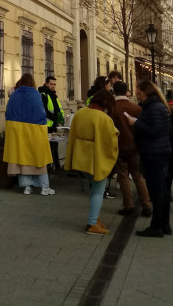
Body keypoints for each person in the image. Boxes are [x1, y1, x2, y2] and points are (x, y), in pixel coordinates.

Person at [65, 90, 119, 235]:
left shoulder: (81, 112)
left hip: (80, 157)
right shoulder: (103, 118)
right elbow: (110, 140)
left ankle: (94, 218)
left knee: (93, 189)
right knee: (98, 191)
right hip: (95, 159)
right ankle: (92, 223)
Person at [127, 80, 173, 237]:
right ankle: (164, 224)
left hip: (154, 153)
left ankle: (157, 226)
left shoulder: (153, 107)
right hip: (159, 152)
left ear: (145, 92)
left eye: (138, 91)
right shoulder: (157, 106)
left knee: (157, 191)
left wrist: (136, 123)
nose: (136, 94)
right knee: (161, 191)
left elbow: (155, 131)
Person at [4, 74, 55, 195]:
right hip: (35, 131)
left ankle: (26, 186)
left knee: (22, 159)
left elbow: (8, 112)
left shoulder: (15, 94)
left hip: (18, 131)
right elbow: (41, 113)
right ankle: (44, 187)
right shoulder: (35, 94)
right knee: (39, 158)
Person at [111, 80, 152, 218]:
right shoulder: (136, 108)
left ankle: (128, 205)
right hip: (135, 146)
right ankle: (146, 204)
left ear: (113, 91)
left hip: (119, 146)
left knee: (123, 176)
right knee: (138, 175)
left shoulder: (112, 108)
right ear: (126, 91)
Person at [38, 75, 64, 171]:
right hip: (46, 125)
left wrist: (60, 120)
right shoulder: (43, 94)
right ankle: (48, 167)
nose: (53, 86)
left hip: (53, 126)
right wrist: (55, 118)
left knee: (54, 146)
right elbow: (44, 110)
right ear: (46, 83)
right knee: (47, 148)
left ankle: (56, 166)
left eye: (54, 84)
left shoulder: (53, 95)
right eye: (51, 84)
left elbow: (58, 109)